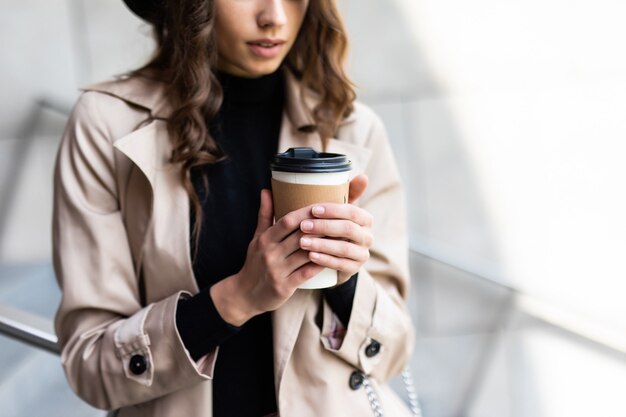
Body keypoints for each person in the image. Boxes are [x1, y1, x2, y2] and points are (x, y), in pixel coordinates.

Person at [52, 0, 414, 416]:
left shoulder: (351, 128)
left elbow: (394, 350)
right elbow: (90, 365)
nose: (274, 16)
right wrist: (239, 297)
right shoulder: (106, 125)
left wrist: (342, 280)